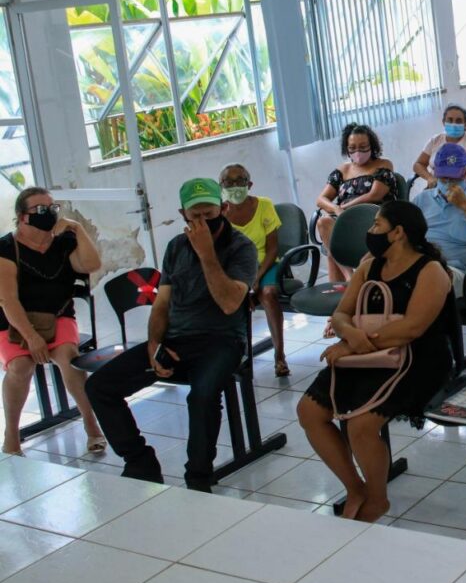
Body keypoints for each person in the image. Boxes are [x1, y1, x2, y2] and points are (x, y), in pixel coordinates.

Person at [86, 178, 258, 492]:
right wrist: (154, 344)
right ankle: (140, 461)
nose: (203, 222)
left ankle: (199, 477)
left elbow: (230, 302)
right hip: (178, 339)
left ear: (224, 208)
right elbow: (162, 303)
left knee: (203, 396)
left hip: (223, 341)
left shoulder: (241, 247)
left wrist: (207, 254)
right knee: (99, 386)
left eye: (209, 213)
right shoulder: (176, 247)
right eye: (196, 217)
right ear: (183, 215)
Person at [297, 201, 454, 522]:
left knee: (361, 425)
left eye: (377, 226)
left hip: (417, 359)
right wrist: (349, 335)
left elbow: (413, 328)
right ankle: (356, 488)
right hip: (364, 352)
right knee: (309, 412)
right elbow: (341, 311)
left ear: (398, 233)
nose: (370, 232)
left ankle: (377, 499)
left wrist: (355, 345)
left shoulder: (431, 271)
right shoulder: (370, 265)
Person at [0, 188, 104, 456]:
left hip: (58, 315)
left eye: (53, 207)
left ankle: (92, 426)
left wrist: (78, 229)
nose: (50, 214)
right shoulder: (5, 248)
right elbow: (8, 300)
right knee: (21, 366)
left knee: (69, 359)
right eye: (41, 210)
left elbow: (91, 264)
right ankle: (12, 435)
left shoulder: (63, 241)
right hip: (13, 322)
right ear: (23, 217)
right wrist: (32, 337)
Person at [220, 164, 288, 377]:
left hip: (265, 264)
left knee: (268, 294)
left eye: (239, 181)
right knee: (230, 300)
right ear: (221, 187)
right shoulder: (219, 213)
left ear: (249, 184)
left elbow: (273, 248)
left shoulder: (264, 205)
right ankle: (237, 356)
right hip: (237, 270)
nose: (234, 186)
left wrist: (256, 278)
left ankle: (280, 355)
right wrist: (244, 283)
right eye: (228, 183)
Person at [315, 123, 398, 290]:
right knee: (323, 223)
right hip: (345, 220)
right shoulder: (342, 170)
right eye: (352, 148)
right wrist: (336, 209)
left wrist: (346, 208)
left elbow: (374, 195)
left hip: (373, 219)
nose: (357, 152)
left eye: (362, 146)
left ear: (372, 146)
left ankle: (348, 289)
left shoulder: (383, 164)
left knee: (331, 253)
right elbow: (321, 199)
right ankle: (350, 278)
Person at [412, 143, 466, 296]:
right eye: (444, 178)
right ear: (435, 174)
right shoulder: (422, 199)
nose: (448, 183)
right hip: (420, 264)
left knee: (432, 276)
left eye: (454, 178)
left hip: (455, 272)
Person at [413, 105, 466, 187]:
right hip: (436, 187)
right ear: (443, 122)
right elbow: (418, 164)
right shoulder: (435, 140)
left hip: (465, 187)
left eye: (458, 121)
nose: (454, 124)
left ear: (465, 124)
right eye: (450, 120)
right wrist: (429, 177)